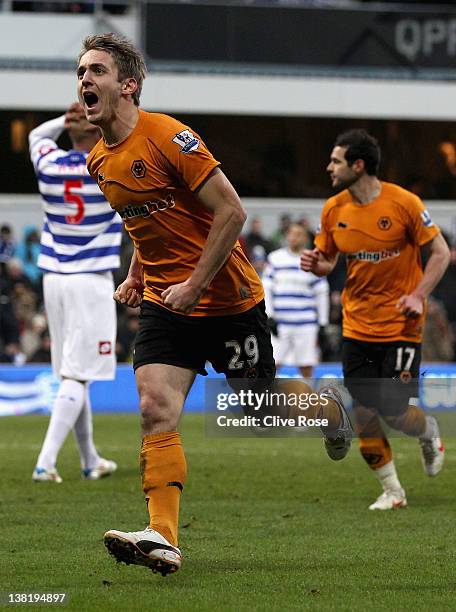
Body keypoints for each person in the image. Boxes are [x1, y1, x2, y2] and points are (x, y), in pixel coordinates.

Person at [76, 33, 352, 577]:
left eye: (97, 71)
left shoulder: (170, 137)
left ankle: (329, 408)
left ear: (127, 85)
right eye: (81, 71)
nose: (85, 80)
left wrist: (197, 285)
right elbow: (147, 224)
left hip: (226, 299)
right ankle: (163, 536)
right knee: (156, 407)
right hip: (164, 302)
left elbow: (231, 213)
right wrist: (137, 272)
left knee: (259, 405)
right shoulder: (98, 161)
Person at [301, 129, 450, 511]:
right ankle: (393, 491)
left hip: (401, 324)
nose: (328, 167)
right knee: (364, 411)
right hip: (357, 325)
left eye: (336, 161)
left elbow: (440, 253)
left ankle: (428, 431)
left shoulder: (404, 203)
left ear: (358, 165)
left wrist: (418, 295)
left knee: (395, 412)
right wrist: (320, 266)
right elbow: (328, 259)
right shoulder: (333, 208)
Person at [29, 103, 122, 483]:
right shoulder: (107, 166)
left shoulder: (49, 164)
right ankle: (45, 462)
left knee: (72, 371)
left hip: (54, 278)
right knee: (78, 376)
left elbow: (37, 136)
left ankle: (89, 459)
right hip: (91, 278)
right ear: (95, 130)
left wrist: (65, 120)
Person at [263, 223, 329, 378]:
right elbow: (266, 288)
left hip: (306, 323)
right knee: (272, 363)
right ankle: (271, 399)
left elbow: (321, 292)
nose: (294, 237)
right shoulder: (275, 258)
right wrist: (269, 316)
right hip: (280, 323)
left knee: (306, 365)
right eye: (291, 233)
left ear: (305, 238)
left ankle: (306, 399)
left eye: (298, 234)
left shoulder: (313, 260)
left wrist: (323, 323)